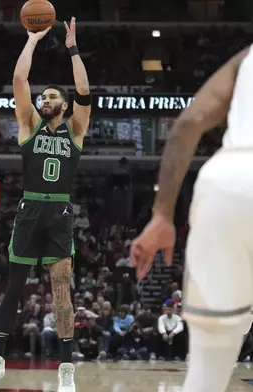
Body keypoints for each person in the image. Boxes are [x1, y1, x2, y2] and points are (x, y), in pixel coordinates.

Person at [130, 44, 253, 392]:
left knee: (205, 375)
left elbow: (187, 124)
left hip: (225, 183)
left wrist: (162, 214)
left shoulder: (247, 57)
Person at [0, 17, 91, 392]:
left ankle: (66, 369)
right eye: (43, 96)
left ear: (64, 104)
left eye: (51, 97)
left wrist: (73, 48)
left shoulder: (75, 129)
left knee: (61, 289)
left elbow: (84, 90)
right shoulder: (28, 123)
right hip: (29, 210)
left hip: (59, 212)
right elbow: (18, 82)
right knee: (13, 289)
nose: (45, 100)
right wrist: (31, 40)